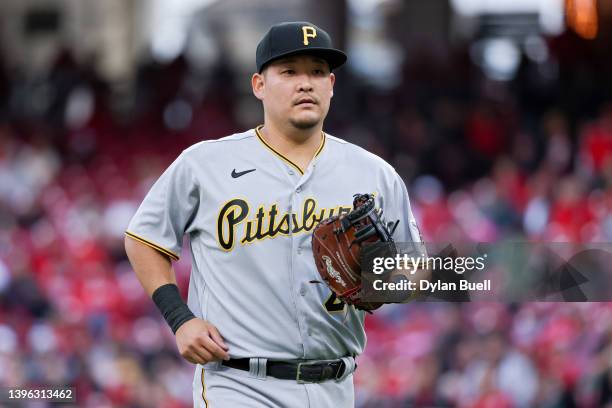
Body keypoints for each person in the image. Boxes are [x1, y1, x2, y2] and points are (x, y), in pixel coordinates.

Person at [124, 21, 423, 407]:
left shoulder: (374, 173)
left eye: (317, 72)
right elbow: (143, 239)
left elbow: (413, 273)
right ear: (259, 85)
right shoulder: (206, 164)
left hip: (336, 384)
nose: (305, 83)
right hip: (239, 382)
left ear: (331, 85)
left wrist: (382, 277)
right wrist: (180, 319)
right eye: (289, 71)